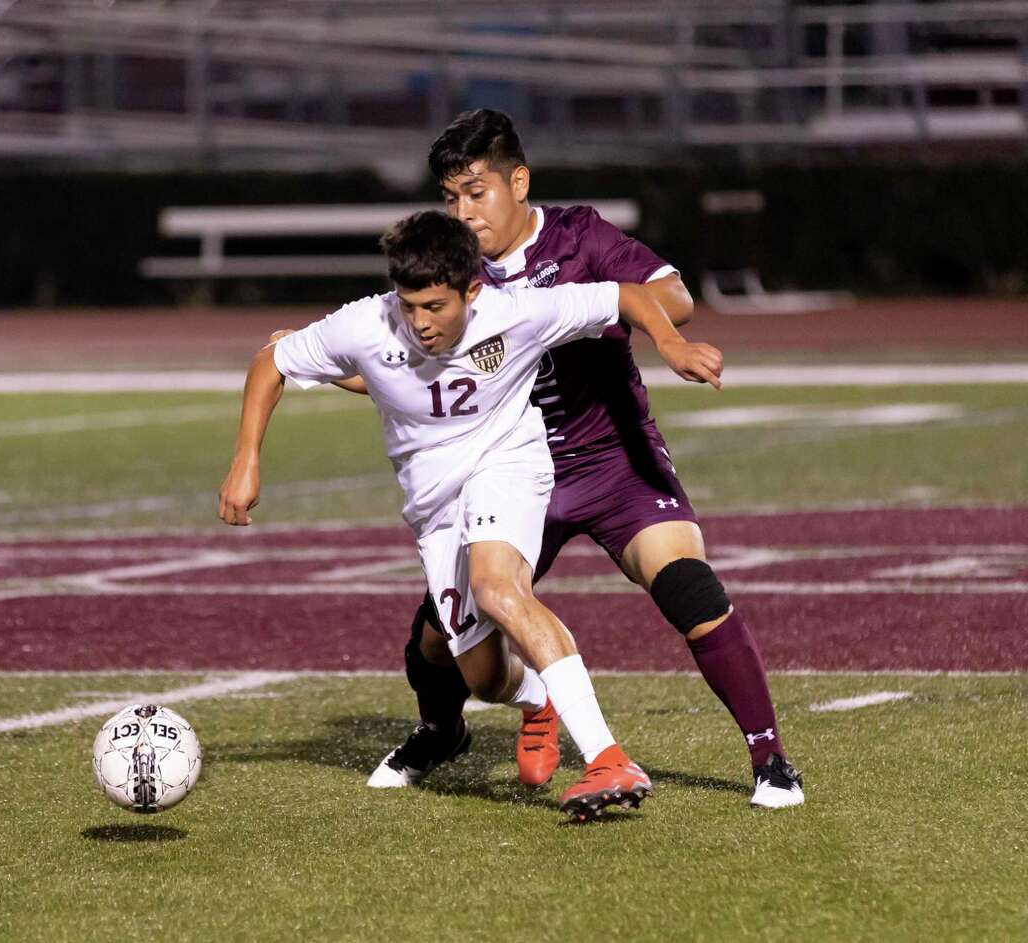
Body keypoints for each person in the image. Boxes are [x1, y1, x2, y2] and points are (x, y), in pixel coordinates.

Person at [362, 109, 804, 809]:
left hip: (609, 458)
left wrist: (570, 317)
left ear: (519, 182)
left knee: (688, 587)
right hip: (504, 468)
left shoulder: (577, 237)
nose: (464, 211)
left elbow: (674, 298)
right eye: (451, 198)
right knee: (440, 635)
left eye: (477, 192)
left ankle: (771, 758)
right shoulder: (450, 268)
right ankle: (440, 730)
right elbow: (391, 353)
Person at [220, 210, 724, 820]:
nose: (420, 323)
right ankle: (539, 698)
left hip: (508, 465)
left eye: (435, 306)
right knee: (483, 678)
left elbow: (625, 295)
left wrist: (671, 344)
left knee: (497, 589)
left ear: (473, 290)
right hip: (434, 508)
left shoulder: (516, 311)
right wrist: (246, 459)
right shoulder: (366, 323)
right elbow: (271, 361)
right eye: (409, 307)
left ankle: (608, 757)